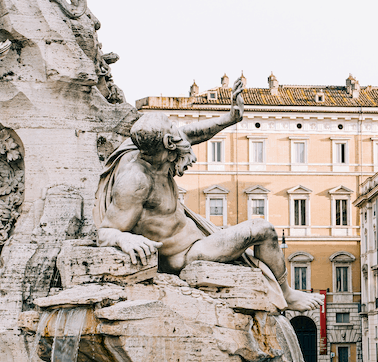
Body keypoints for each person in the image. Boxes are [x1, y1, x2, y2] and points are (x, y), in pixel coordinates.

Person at [94, 77, 324, 312]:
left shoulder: (152, 150)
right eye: (173, 128)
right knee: (263, 229)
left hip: (198, 236)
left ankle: (283, 290)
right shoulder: (135, 180)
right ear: (167, 143)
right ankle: (286, 294)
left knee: (255, 234)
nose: (179, 133)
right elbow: (105, 231)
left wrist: (229, 118)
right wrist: (125, 238)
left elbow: (193, 132)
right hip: (187, 254)